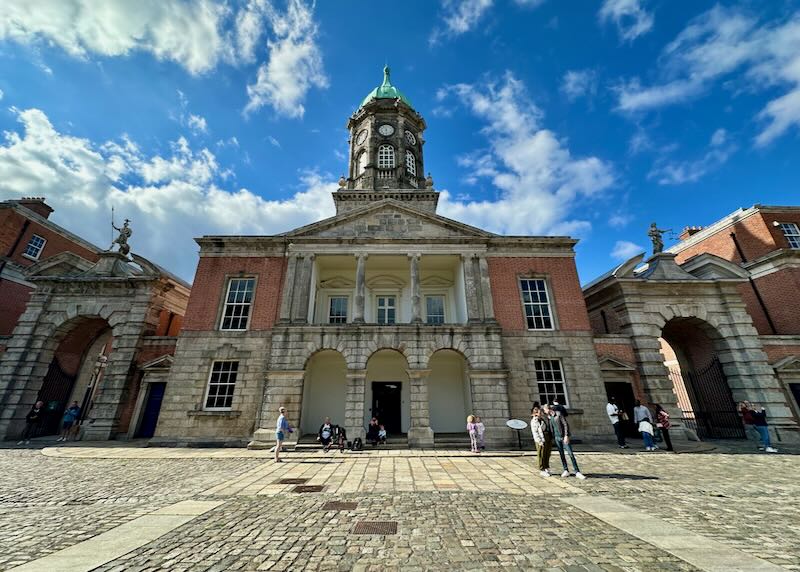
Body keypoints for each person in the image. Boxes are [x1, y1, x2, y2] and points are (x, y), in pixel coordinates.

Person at [548, 404, 586, 479]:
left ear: (549, 409)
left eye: (545, 410)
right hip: (557, 438)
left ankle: (577, 471)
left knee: (570, 453)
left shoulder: (559, 414)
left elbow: (565, 425)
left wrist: (566, 435)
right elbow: (552, 428)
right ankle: (566, 470)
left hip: (563, 437)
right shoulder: (550, 417)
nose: (544, 412)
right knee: (562, 454)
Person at [530, 404, 553, 477]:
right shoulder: (534, 421)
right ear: (535, 413)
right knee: (541, 454)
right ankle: (541, 469)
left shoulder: (542, 419)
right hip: (540, 439)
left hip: (546, 437)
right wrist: (539, 441)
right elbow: (535, 433)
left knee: (547, 453)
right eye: (540, 413)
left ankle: (546, 466)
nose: (541, 414)